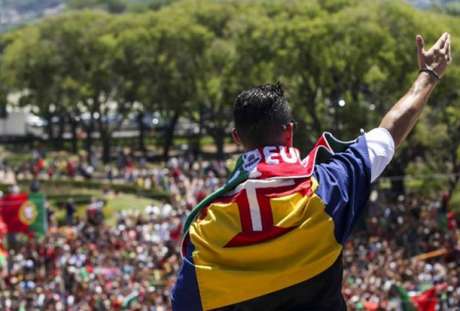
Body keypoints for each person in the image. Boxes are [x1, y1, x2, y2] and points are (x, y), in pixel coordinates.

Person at [171, 33, 452, 311]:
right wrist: (429, 73)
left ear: (236, 138)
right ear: (290, 131)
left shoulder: (208, 228)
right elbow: (388, 133)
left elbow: (184, 303)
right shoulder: (328, 188)